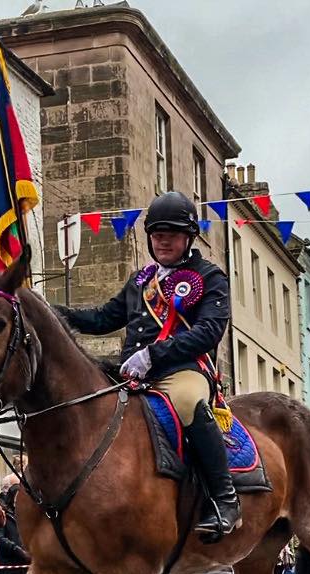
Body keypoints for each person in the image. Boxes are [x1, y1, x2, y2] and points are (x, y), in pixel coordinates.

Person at [56, 191, 240, 541]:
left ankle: (225, 499)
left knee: (187, 403)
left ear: (188, 237)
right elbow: (103, 318)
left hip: (184, 370)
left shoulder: (210, 276)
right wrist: (56, 314)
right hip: (135, 373)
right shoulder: (141, 280)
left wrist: (154, 354)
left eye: (171, 233)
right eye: (157, 234)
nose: (163, 240)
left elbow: (209, 331)